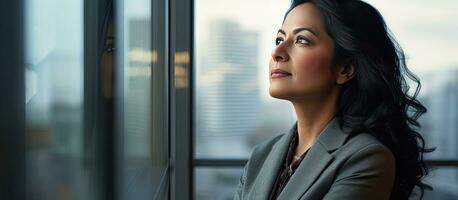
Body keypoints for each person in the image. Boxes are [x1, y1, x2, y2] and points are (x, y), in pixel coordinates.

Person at [233, 0, 435, 199]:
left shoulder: (366, 157)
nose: (277, 52)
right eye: (279, 39)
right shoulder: (261, 156)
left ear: (345, 69)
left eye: (302, 40)